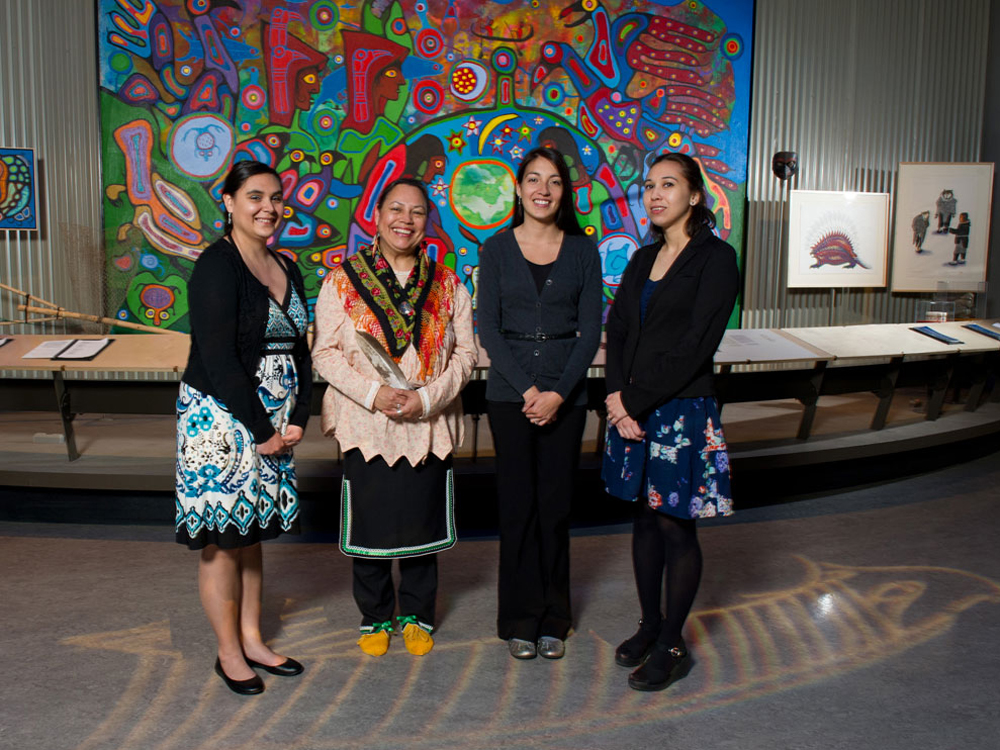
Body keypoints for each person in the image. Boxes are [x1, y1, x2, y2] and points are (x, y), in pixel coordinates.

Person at [312, 177, 477, 658]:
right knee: (372, 524)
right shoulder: (342, 280)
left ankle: (418, 614)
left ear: (429, 221)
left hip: (428, 424)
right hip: (367, 424)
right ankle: (375, 615)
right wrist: (374, 392)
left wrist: (427, 400)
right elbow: (324, 353)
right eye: (396, 209)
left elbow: (466, 355)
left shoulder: (447, 283)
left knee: (422, 527)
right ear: (376, 216)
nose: (405, 220)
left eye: (418, 212)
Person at [602, 152, 739, 692]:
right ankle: (651, 624)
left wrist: (632, 400)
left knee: (674, 523)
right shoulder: (641, 258)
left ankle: (674, 643)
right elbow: (617, 330)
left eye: (669, 185)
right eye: (650, 186)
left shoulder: (716, 258)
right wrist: (616, 396)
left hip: (680, 408)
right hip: (631, 407)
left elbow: (695, 346)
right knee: (641, 518)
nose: (655, 195)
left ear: (694, 195)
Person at [175, 160, 311, 695]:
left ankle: (253, 640)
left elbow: (301, 348)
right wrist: (261, 429)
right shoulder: (217, 265)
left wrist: (297, 418)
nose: (268, 208)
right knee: (223, 540)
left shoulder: (286, 266)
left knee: (251, 536)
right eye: (254, 196)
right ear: (228, 202)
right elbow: (220, 359)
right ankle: (228, 653)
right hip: (221, 418)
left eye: (276, 197)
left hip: (272, 420)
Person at [478, 146, 603, 660]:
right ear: (517, 188)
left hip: (566, 397)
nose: (543, 190)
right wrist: (530, 392)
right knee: (517, 508)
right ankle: (518, 619)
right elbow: (488, 328)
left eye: (553, 181)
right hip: (510, 398)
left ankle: (555, 616)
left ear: (564, 192)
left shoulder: (582, 250)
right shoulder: (496, 249)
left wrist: (557, 393)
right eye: (533, 179)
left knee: (555, 508)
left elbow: (591, 330)